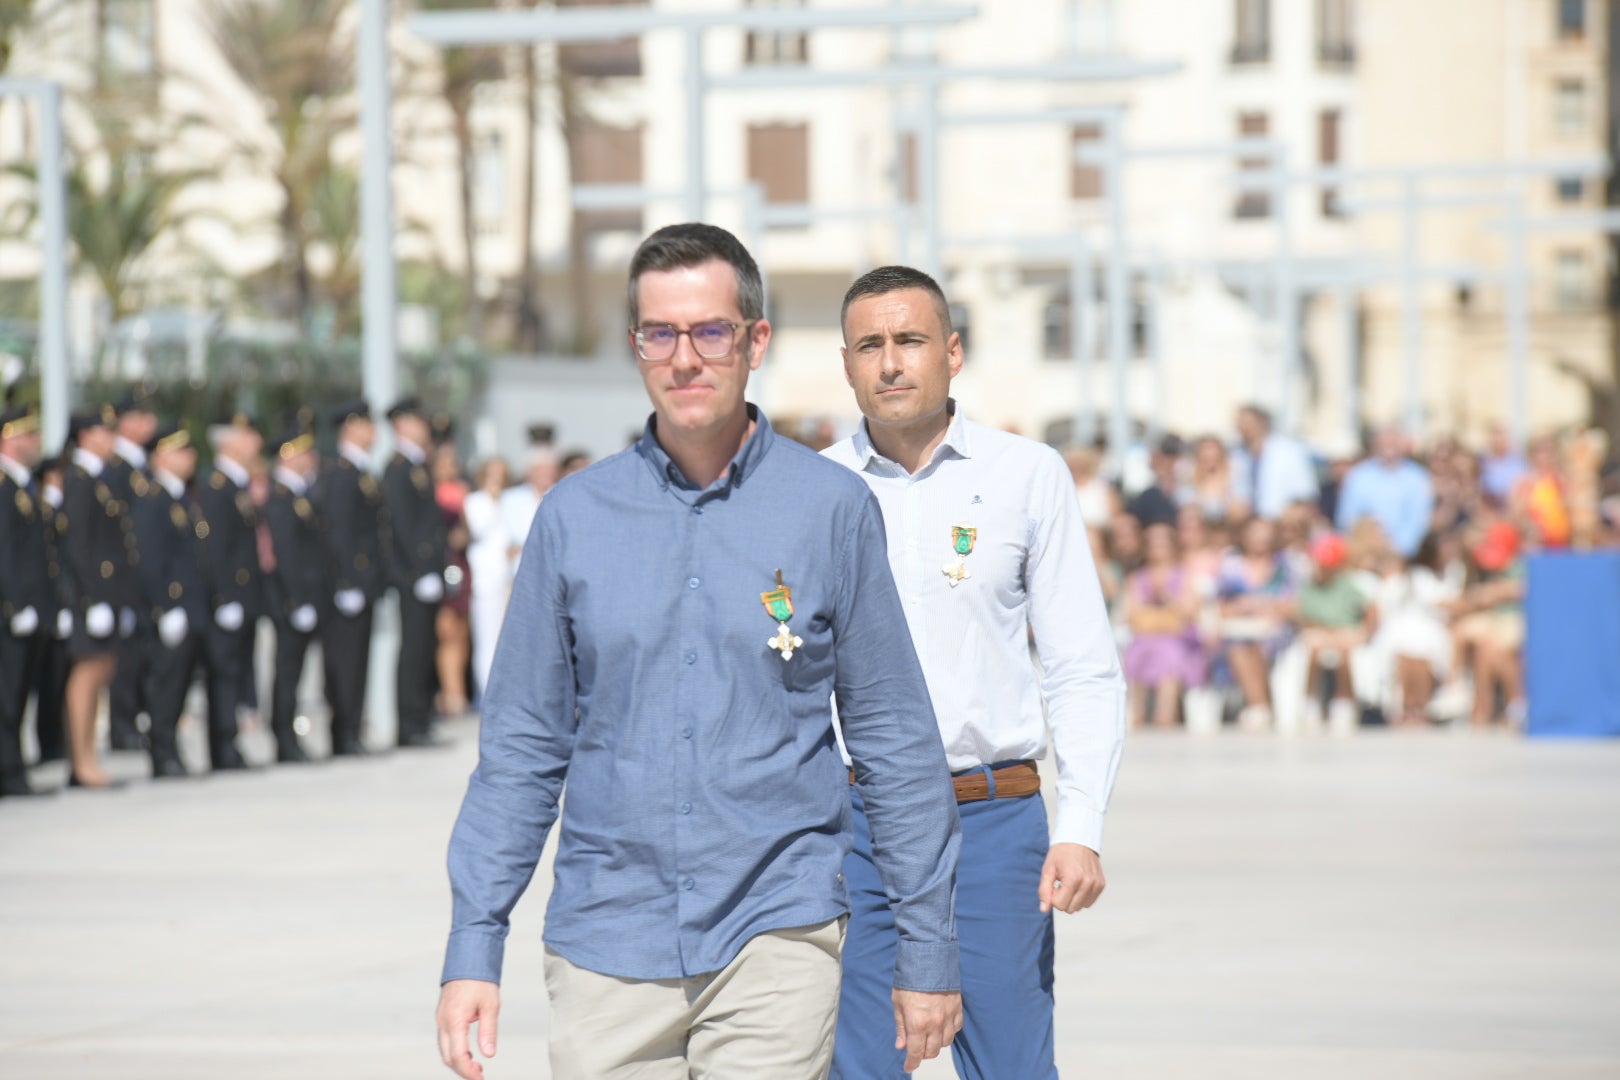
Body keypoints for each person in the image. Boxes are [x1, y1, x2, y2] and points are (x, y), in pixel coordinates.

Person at [435, 225, 964, 1080]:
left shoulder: (829, 510)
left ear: (755, 341)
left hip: (776, 930)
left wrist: (927, 949)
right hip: (607, 940)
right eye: (660, 333)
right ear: (636, 346)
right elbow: (522, 752)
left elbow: (893, 738)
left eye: (710, 331)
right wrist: (473, 942)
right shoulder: (572, 520)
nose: (685, 358)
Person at [823, 264, 1122, 1080]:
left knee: (1014, 1069)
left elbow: (1082, 667)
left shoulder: (1026, 476)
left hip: (995, 826)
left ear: (952, 352)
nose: (891, 362)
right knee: (858, 1070)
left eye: (910, 340)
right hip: (857, 831)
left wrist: (1080, 824)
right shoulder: (814, 490)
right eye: (870, 345)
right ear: (845, 361)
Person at [61, 405, 139, 788]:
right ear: (86, 436)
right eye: (104, 432)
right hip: (88, 597)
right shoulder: (78, 479)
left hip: (107, 595)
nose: (112, 440)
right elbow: (78, 546)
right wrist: (92, 600)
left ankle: (88, 756)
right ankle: (82, 760)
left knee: (102, 669)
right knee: (88, 673)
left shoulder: (99, 478)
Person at [131, 421, 209, 778]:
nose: (189, 457)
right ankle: (162, 753)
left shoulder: (179, 496)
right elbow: (150, 559)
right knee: (164, 686)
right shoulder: (153, 498)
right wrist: (166, 606)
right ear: (160, 456)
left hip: (189, 606)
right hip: (171, 608)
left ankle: (170, 750)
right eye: (181, 450)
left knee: (178, 686)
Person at [315, 400, 387, 756]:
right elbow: (339, 532)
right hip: (349, 584)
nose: (373, 431)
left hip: (365, 581)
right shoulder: (342, 472)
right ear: (350, 427)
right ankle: (343, 733)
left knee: (358, 661)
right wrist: (346, 581)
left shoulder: (360, 471)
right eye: (366, 424)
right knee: (344, 662)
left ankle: (352, 729)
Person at [193, 413, 263, 771]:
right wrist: (224, 597)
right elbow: (216, 549)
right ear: (230, 443)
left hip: (243, 595)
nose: (257, 443)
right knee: (222, 673)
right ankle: (222, 747)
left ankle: (230, 743)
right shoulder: (216, 486)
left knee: (236, 671)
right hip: (228, 598)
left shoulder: (235, 484)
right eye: (249, 436)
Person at [385, 396, 448, 749]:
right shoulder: (398, 467)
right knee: (413, 648)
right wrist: (420, 569)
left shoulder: (416, 465)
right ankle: (408, 723)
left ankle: (420, 717)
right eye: (417, 420)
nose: (423, 427)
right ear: (402, 424)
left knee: (425, 646)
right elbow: (403, 525)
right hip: (412, 575)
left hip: (426, 572)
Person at [0, 405, 54, 796]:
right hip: (10, 612)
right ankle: (8, 771)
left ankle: (13, 767)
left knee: (18, 694)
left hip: (31, 609)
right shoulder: (4, 486)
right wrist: (15, 604)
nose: (34, 442)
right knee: (6, 695)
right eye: (27, 435)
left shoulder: (22, 486)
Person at [262, 426, 324, 763]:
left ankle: (289, 738)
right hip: (289, 601)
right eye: (304, 452)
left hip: (304, 598)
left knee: (295, 673)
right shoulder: (282, 498)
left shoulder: (299, 495)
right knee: (286, 673)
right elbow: (285, 555)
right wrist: (297, 601)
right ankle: (284, 739)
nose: (311, 458)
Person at [104, 391, 158, 752]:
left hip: (146, 575)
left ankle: (136, 718)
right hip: (124, 575)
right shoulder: (117, 469)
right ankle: (122, 724)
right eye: (140, 416)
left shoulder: (142, 466)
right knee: (125, 656)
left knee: (142, 652)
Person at [1215, 516, 1299, 732]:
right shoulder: (1231, 565)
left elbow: (1295, 605)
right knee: (1238, 646)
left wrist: (1264, 606)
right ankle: (1260, 705)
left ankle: (1260, 707)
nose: (1260, 538)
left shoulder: (1285, 565)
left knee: (1261, 645)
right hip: (1241, 628)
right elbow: (1220, 606)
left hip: (1278, 629)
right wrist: (1240, 608)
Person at [1121, 522, 1205, 730]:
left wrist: (1167, 599)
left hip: (1178, 638)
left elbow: (1190, 611)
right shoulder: (1138, 577)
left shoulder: (1184, 575)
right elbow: (1132, 614)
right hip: (1147, 635)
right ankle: (1136, 713)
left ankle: (1164, 715)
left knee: (1169, 651)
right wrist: (1166, 616)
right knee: (1139, 648)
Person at [1296, 533, 1376, 735]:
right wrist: (1326, 630)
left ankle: (1343, 703)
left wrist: (1365, 632)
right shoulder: (1310, 585)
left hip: (1345, 631)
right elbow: (1304, 616)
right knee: (1313, 649)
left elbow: (1370, 609)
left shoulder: (1348, 584)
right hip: (1320, 631)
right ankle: (1310, 703)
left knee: (1345, 651)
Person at [1335, 426, 1435, 559]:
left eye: (1393, 442)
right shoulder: (1358, 475)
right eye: (1384, 442)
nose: (1388, 447)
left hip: (1404, 555)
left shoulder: (1418, 477)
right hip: (1364, 553)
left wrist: (1397, 550)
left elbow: (1419, 519)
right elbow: (1348, 518)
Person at [461, 457, 512, 701]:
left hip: (506, 578)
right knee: (487, 639)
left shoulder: (508, 500)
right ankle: (487, 694)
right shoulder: (476, 501)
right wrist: (492, 502)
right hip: (485, 579)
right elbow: (477, 531)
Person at [432, 441, 472, 718]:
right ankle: (449, 692)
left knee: (461, 633)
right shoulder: (430, 492)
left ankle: (459, 690)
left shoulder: (462, 491)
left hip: (459, 562)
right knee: (446, 631)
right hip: (442, 563)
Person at [1229, 404, 1318, 519]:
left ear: (1262, 423)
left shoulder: (1289, 450)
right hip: (1248, 523)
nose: (1244, 427)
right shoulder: (1236, 453)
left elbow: (1304, 492)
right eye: (1240, 423)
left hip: (1281, 519)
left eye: (1248, 423)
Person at [498, 443, 558, 574]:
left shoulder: (562, 496)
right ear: (530, 471)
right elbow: (505, 539)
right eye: (540, 469)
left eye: (549, 469)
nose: (545, 473)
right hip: (518, 571)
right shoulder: (511, 498)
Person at [1126, 434, 1185, 528]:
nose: (1169, 462)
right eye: (1164, 457)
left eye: (1174, 457)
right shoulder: (1141, 492)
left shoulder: (1189, 491)